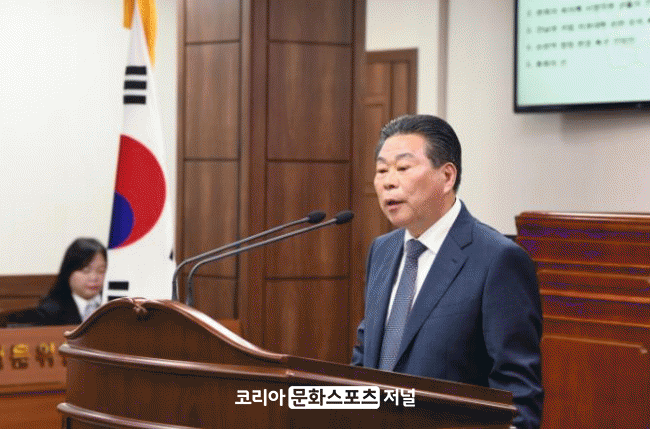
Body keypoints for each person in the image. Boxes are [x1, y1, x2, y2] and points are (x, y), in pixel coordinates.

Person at [351, 114, 543, 429]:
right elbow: (365, 360)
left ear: (447, 176)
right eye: (381, 170)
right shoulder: (382, 251)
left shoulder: (498, 260)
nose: (388, 181)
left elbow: (517, 396)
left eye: (402, 168)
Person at [5, 238, 107, 326]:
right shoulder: (50, 311)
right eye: (86, 270)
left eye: (101, 271)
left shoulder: (113, 304)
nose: (94, 277)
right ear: (68, 271)